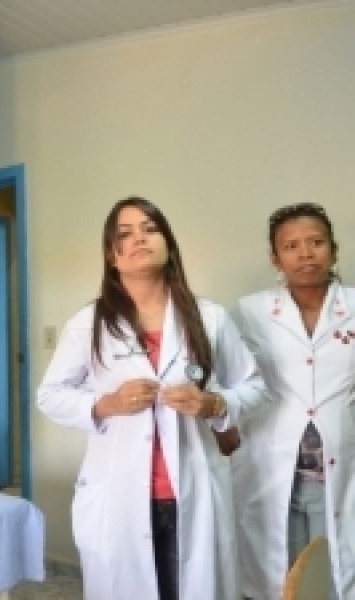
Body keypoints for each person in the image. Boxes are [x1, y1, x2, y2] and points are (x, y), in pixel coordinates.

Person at [37, 196, 266, 600]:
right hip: (120, 496)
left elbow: (255, 386)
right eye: (125, 234)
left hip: (192, 492)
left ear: (168, 244)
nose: (139, 239)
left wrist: (214, 404)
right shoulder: (88, 324)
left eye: (150, 229)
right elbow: (50, 395)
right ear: (112, 255)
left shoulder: (209, 317)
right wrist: (107, 403)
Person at [233, 202, 353, 599]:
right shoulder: (250, 312)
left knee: (331, 573)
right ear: (275, 258)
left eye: (316, 242)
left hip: (338, 467)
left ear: (334, 250)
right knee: (274, 571)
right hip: (271, 462)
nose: (305, 253)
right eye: (291, 246)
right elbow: (232, 378)